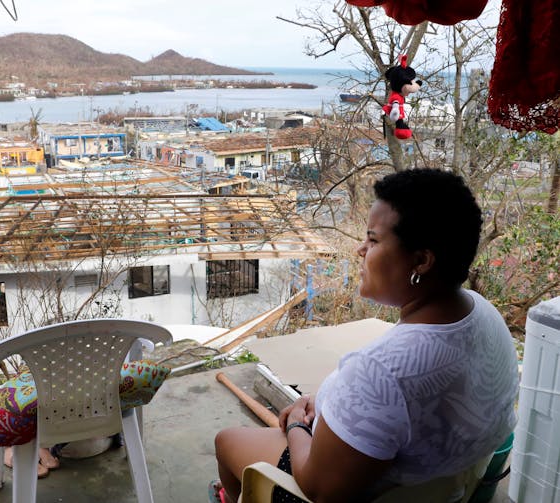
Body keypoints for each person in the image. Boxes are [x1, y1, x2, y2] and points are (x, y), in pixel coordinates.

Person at [213, 168, 519, 503]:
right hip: (443, 486)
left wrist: (297, 427)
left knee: (228, 440)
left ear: (421, 261)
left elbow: (321, 490)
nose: (360, 250)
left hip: (346, 488)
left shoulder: (381, 371)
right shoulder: (483, 314)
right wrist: (333, 401)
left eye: (373, 240)